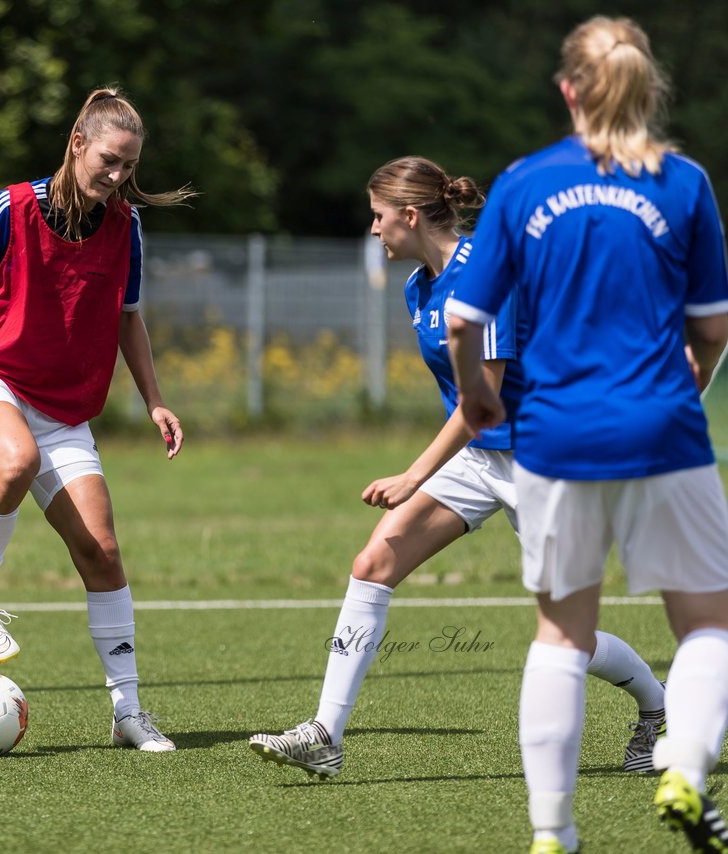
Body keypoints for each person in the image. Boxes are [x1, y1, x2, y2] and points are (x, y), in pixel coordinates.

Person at [247, 156, 668, 782]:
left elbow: (484, 400)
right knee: (374, 563)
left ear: (410, 216)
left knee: (567, 637)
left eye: (379, 217)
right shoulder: (421, 284)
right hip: (482, 456)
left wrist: (414, 474)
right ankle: (325, 736)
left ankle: (659, 707)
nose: (373, 230)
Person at [445, 17, 728, 854]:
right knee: (707, 627)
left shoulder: (524, 183)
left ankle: (552, 833)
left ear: (569, 90)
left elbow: (465, 317)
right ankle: (684, 767)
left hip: (556, 436)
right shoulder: (683, 183)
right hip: (663, 431)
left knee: (562, 635)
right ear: (648, 91)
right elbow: (711, 328)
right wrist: (693, 387)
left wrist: (475, 399)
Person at [0, 87, 196, 753]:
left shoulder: (125, 227)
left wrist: (154, 400)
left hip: (62, 409)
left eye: (129, 167)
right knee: (14, 460)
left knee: (102, 553)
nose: (118, 177)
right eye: (109, 161)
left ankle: (128, 714)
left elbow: (128, 318)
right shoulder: (13, 206)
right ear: (78, 144)